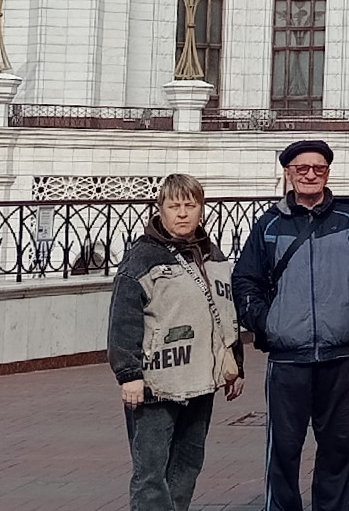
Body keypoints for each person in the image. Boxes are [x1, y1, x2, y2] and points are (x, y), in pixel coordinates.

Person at [231, 140, 349, 511]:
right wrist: (266, 323)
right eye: (301, 168)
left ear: (328, 173)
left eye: (318, 168)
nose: (310, 175)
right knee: (284, 451)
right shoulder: (269, 225)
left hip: (340, 356)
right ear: (287, 173)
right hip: (289, 358)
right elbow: (246, 280)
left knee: (337, 450)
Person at [110, 173, 244, 511]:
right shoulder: (142, 258)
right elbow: (123, 319)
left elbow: (226, 312)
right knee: (151, 473)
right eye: (174, 206)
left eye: (190, 205)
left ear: (201, 209)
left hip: (201, 381)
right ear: (160, 210)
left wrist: (235, 365)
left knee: (187, 466)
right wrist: (129, 374)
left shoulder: (212, 254)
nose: (182, 214)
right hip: (157, 384)